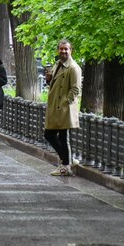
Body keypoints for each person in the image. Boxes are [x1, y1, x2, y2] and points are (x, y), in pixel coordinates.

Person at [43, 39, 82, 177]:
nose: (63, 51)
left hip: (64, 108)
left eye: (66, 49)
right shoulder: (58, 64)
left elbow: (76, 89)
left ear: (71, 51)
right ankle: (68, 160)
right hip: (55, 106)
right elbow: (55, 86)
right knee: (49, 134)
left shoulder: (73, 67)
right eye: (61, 49)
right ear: (58, 50)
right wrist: (49, 80)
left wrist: (65, 103)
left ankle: (66, 166)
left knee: (63, 136)